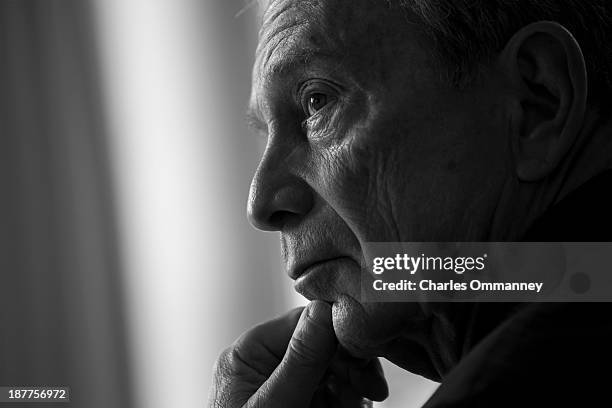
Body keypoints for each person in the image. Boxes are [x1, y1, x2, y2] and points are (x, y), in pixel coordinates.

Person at [208, 0, 612, 406]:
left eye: (318, 102)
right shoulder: (591, 277)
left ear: (537, 102)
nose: (261, 203)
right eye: (266, 134)